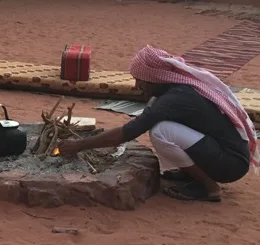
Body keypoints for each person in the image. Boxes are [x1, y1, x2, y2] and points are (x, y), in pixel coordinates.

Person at [57, 45, 259, 202]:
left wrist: (79, 145)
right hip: (224, 154)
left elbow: (128, 132)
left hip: (229, 163)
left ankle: (209, 187)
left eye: (140, 80)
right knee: (162, 126)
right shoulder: (173, 89)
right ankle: (191, 174)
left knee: (161, 132)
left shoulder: (174, 99)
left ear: (154, 78)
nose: (137, 86)